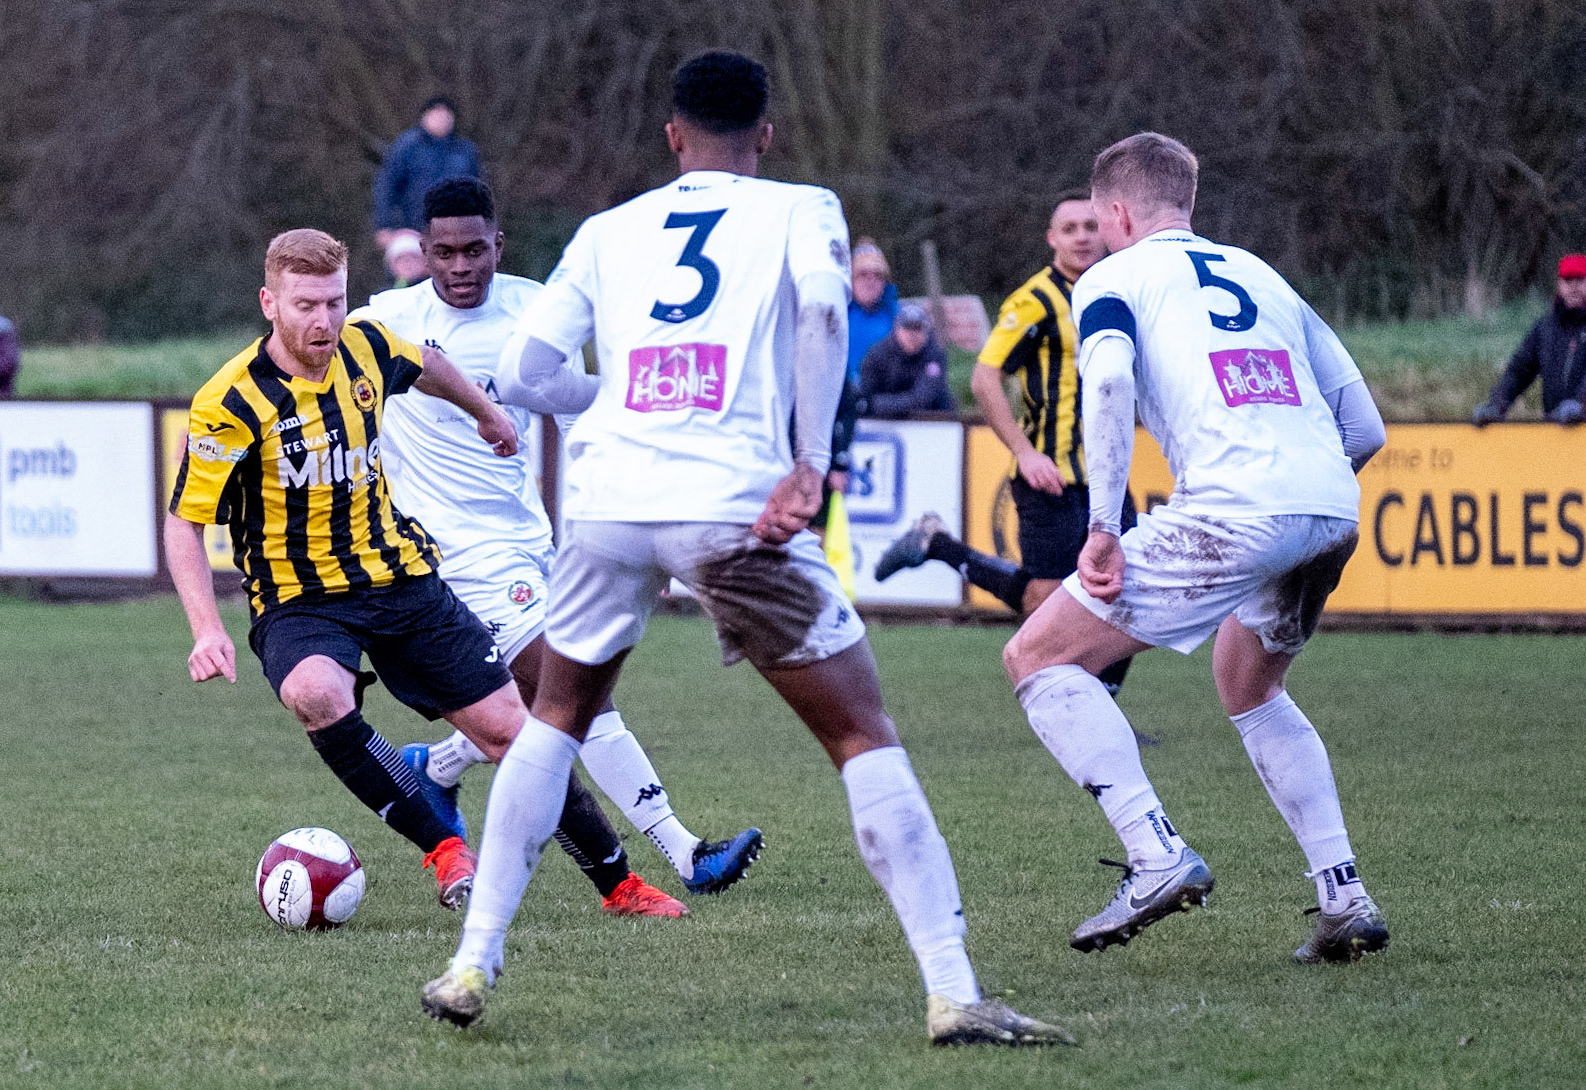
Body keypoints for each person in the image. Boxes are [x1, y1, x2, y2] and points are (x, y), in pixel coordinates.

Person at [419, 50, 1071, 1048]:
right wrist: (808, 464)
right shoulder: (801, 207)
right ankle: (953, 991)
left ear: (671, 137)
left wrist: (607, 407)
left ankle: (473, 960)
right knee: (859, 730)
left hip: (607, 503)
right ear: (764, 135)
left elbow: (521, 368)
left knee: (553, 719)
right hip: (727, 503)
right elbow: (819, 310)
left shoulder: (607, 228)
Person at [1002, 132, 1390, 964]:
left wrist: (1102, 523)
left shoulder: (1112, 276)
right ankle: (1343, 894)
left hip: (1233, 509)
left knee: (1038, 658)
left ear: (1115, 212)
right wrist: (1301, 499)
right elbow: (1366, 426)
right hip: (1330, 504)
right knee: (1248, 681)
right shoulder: (1263, 274)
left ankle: (1155, 855)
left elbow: (1105, 382)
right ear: (1187, 201)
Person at [348, 175, 763, 918]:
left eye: (475, 248)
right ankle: (683, 850)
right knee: (571, 689)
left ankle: (437, 768)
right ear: (421, 252)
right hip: (452, 559)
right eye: (443, 251)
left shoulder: (534, 311)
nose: (460, 265)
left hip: (534, 544)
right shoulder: (385, 322)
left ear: (498, 245)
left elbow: (585, 425)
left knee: (549, 702)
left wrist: (627, 531)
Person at [166, 228, 527, 911]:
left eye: (333, 301)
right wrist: (205, 628)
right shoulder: (230, 401)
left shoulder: (366, 344)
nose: (324, 319)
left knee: (515, 730)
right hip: (299, 598)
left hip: (396, 576)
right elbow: (184, 521)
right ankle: (447, 850)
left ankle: (621, 881)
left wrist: (488, 412)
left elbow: (427, 362)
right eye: (306, 304)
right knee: (316, 693)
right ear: (270, 302)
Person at [872, 192, 1139, 700]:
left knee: (1125, 587)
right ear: (1052, 239)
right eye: (1070, 228)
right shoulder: (1034, 301)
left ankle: (1103, 706)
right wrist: (1024, 452)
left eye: (1090, 225)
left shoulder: (1121, 291)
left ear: (1106, 231)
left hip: (1108, 475)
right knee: (1044, 598)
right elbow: (984, 377)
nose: (1082, 236)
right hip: (1050, 476)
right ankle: (939, 546)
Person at [1471, 253, 1586, 426]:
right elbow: (1519, 371)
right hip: (1556, 432)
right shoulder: (1545, 329)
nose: (1574, 287)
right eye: (1568, 280)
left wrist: (1581, 407)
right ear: (1559, 284)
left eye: (1580, 280)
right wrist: (1496, 406)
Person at [373, 96, 481, 250]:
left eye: (445, 114)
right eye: (436, 113)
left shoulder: (465, 151)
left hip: (457, 233)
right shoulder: (406, 147)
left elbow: (478, 193)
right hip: (412, 232)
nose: (441, 118)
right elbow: (386, 186)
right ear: (425, 116)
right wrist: (384, 225)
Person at [857, 303, 957, 418]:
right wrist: (872, 405)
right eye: (907, 327)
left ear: (926, 331)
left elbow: (921, 399)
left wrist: (878, 404)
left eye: (918, 328)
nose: (912, 334)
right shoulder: (876, 355)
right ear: (896, 330)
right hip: (882, 422)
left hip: (929, 422)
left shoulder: (935, 356)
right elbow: (865, 399)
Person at [847, 239, 898, 383]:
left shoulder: (898, 319)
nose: (871, 281)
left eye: (878, 275)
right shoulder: (836, 319)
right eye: (863, 274)